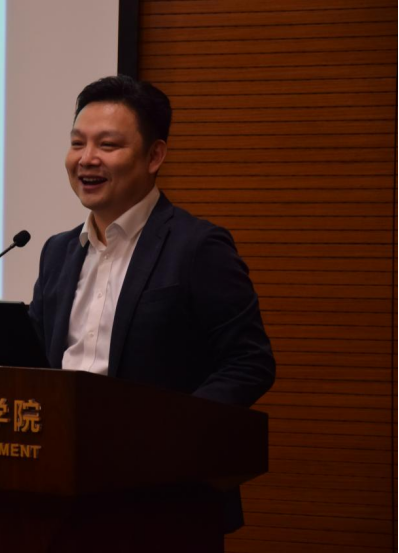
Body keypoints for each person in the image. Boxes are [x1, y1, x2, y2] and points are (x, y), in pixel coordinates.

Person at [28, 75, 275, 533]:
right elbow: (37, 359)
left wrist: (173, 436)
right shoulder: (57, 251)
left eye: (107, 145)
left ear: (155, 156)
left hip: (165, 495)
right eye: (77, 143)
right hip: (61, 486)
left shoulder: (197, 247)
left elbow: (249, 362)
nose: (86, 159)